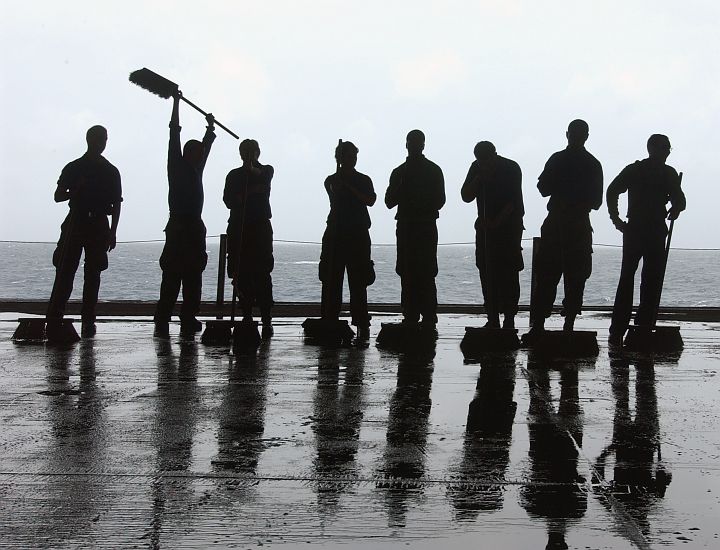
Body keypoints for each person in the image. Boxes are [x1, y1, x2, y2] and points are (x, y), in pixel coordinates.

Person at [606, 134, 686, 345]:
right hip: (645, 231)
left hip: (643, 230)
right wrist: (616, 219)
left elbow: (681, 200)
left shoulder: (644, 171)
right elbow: (612, 191)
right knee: (639, 280)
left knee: (645, 280)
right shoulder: (649, 171)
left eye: (669, 148)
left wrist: (676, 208)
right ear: (652, 148)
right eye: (665, 148)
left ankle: (633, 326)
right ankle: (632, 326)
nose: (668, 151)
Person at [526, 119, 603, 336]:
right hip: (574, 223)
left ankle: (543, 324)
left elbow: (543, 188)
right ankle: (564, 323)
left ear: (567, 134)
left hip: (563, 221)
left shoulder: (559, 159)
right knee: (570, 276)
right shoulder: (591, 163)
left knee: (555, 275)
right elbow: (596, 201)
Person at [46, 125, 122, 339]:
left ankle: (88, 319)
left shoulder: (110, 170)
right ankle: (56, 316)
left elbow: (116, 204)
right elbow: (58, 196)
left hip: (97, 223)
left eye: (104, 139)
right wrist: (75, 191)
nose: (102, 143)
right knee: (65, 270)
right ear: (90, 140)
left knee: (92, 273)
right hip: (77, 221)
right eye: (100, 139)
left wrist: (113, 231)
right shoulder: (75, 167)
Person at [153, 90, 215, 338]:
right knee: (172, 275)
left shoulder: (197, 168)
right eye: (197, 151)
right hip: (179, 227)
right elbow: (173, 133)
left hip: (194, 229)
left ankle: (188, 315)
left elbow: (207, 146)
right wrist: (176, 103)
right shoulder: (176, 166)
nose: (201, 155)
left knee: (193, 277)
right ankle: (163, 316)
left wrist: (210, 128)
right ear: (188, 152)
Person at [385, 129, 446, 329]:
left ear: (422, 145)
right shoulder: (401, 172)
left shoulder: (430, 170)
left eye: (415, 142)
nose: (413, 146)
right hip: (409, 226)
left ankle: (426, 312)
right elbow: (389, 201)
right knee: (408, 270)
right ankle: (413, 312)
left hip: (422, 226)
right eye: (411, 142)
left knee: (425, 270)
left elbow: (440, 200)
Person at [461, 141, 524, 329]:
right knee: (486, 270)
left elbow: (514, 202)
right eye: (480, 161)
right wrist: (479, 178)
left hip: (509, 228)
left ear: (495, 155)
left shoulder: (511, 168)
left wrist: (496, 223)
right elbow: (465, 195)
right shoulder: (476, 168)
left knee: (509, 272)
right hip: (485, 230)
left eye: (486, 161)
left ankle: (510, 318)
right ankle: (492, 316)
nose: (484, 164)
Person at [319, 141, 376, 340]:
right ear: (340, 159)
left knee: (358, 279)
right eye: (348, 156)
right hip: (336, 232)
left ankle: (361, 319)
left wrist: (349, 187)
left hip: (358, 233)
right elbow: (335, 198)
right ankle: (329, 316)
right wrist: (341, 187)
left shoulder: (364, 180)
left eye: (354, 156)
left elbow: (370, 200)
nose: (351, 159)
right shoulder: (331, 181)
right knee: (331, 277)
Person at [223, 139, 275, 337]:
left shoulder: (267, 170)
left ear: (258, 152)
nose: (248, 154)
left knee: (262, 272)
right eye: (244, 151)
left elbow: (262, 177)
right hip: (239, 226)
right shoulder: (234, 175)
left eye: (251, 151)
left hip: (260, 226)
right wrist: (249, 192)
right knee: (240, 271)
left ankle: (266, 317)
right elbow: (228, 200)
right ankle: (246, 315)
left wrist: (250, 169)